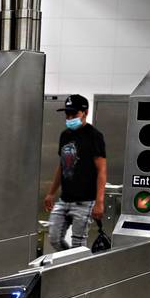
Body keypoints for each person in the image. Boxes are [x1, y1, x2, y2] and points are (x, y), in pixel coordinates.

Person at [42, 94, 107, 251]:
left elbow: (102, 170)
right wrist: (51, 193)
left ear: (85, 113)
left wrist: (99, 202)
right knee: (54, 238)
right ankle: (69, 265)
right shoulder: (65, 135)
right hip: (65, 199)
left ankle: (77, 271)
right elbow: (62, 165)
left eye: (74, 114)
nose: (70, 118)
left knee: (78, 246)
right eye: (67, 114)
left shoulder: (94, 136)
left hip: (85, 202)